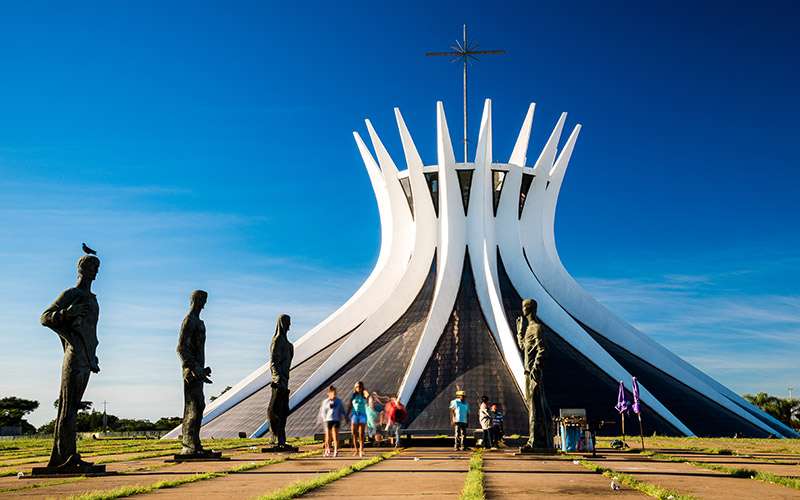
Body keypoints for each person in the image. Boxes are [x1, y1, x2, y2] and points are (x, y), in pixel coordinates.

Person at [39, 250, 102, 472]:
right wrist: (67, 312)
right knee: (67, 408)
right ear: (81, 269)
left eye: (96, 268)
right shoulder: (72, 293)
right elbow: (45, 317)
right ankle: (61, 458)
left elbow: (89, 332)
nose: (94, 272)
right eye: (91, 267)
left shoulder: (92, 299)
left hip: (86, 357)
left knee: (73, 408)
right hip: (74, 356)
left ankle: (69, 455)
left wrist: (92, 356)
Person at [177, 290, 214, 457]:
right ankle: (189, 444)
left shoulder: (199, 322)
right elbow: (181, 347)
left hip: (198, 369)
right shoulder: (189, 320)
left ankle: (195, 442)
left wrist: (202, 369)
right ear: (195, 300)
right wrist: (192, 367)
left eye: (205, 300)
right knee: (194, 405)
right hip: (191, 371)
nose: (204, 303)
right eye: (201, 299)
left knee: (199, 405)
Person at [319, 385, 345, 457]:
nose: (333, 394)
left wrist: (343, 417)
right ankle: (327, 450)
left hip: (336, 420)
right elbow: (323, 412)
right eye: (331, 393)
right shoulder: (325, 402)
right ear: (328, 393)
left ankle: (336, 450)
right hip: (328, 420)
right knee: (328, 437)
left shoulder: (338, 401)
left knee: (335, 436)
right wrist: (324, 420)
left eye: (334, 393)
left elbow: (342, 410)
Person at [349, 381, 368, 457]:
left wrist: (364, 391)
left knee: (361, 433)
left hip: (362, 415)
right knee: (354, 433)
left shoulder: (364, 395)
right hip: (355, 415)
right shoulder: (353, 395)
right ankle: (356, 449)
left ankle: (361, 449)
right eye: (357, 387)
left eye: (360, 387)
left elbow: (368, 396)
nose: (358, 388)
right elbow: (350, 405)